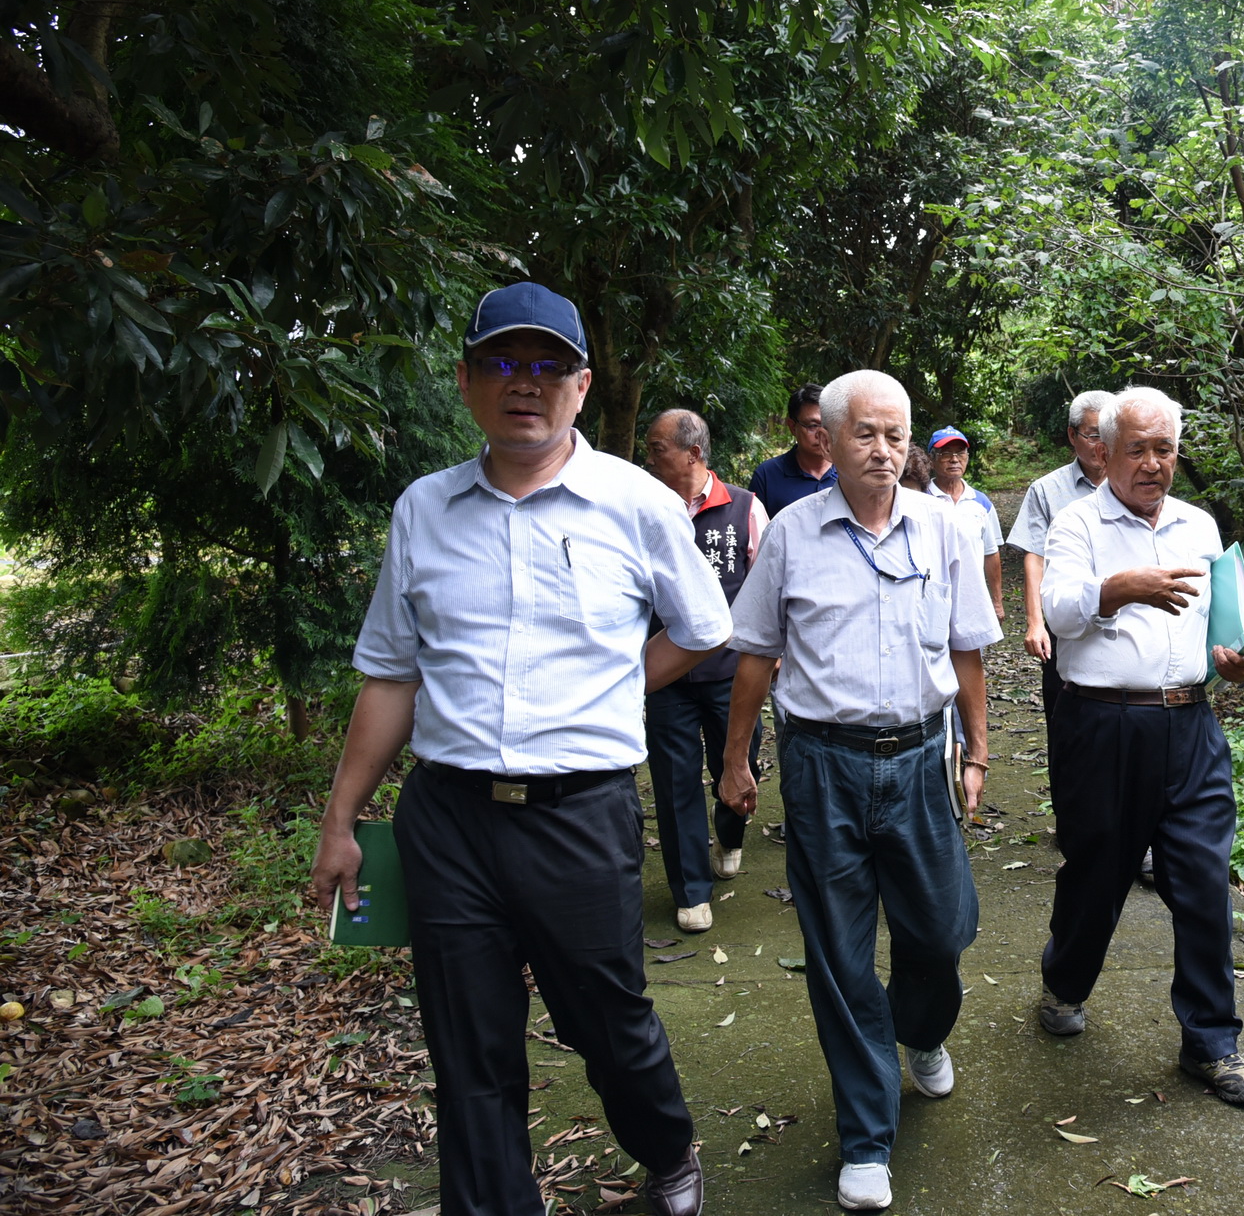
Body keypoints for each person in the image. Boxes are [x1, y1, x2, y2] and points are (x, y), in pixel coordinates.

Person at [309, 282, 729, 1216]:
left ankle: (666, 1147)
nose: (523, 384)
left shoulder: (634, 502)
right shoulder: (424, 510)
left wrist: (617, 688)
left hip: (580, 816)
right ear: (465, 381)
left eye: (546, 366)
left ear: (581, 385)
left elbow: (701, 628)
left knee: (608, 1022)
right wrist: (341, 821)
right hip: (449, 818)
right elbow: (389, 675)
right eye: (501, 362)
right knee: (469, 1047)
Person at [718, 370, 1001, 1212]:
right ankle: (868, 1137)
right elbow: (756, 656)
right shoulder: (793, 536)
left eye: (896, 434)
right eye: (866, 434)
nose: (885, 450)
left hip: (919, 760)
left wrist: (979, 751)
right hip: (822, 767)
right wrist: (736, 761)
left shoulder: (945, 528)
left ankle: (920, 1028)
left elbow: (968, 649)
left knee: (943, 927)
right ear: (827, 439)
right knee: (840, 957)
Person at [1035, 385, 1244, 1107]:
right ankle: (1064, 980)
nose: (1151, 462)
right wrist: (1118, 588)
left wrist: (1237, 659)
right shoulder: (1077, 523)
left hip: (1190, 725)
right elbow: (1055, 612)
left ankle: (1212, 1042)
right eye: (1136, 447)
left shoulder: (1199, 525)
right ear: (1103, 449)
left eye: (1163, 448)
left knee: (1201, 879)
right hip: (1103, 727)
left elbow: (1232, 622)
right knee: (1098, 871)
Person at [642, 408, 771, 934]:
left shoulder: (744, 508)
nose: (648, 457)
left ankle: (731, 834)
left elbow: (766, 587)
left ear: (693, 454)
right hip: (665, 674)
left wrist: (772, 653)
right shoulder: (644, 510)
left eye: (657, 448)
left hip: (731, 673)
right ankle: (690, 890)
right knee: (673, 782)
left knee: (736, 763)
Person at [1006, 390, 1113, 714]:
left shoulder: (1135, 486)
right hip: (1064, 616)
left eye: (1108, 435)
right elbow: (1035, 558)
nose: (1101, 445)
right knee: (1063, 711)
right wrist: (1035, 622)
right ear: (1072, 435)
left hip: (1123, 615)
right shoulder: (1046, 490)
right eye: (1093, 435)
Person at [926, 426, 1005, 622]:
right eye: (946, 453)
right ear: (932, 459)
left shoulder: (981, 503)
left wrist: (996, 602)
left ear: (967, 457)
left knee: (971, 651)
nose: (954, 459)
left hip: (972, 599)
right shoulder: (920, 499)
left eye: (960, 452)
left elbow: (991, 553)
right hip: (928, 599)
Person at [749, 384, 838, 516]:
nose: (822, 434)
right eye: (813, 426)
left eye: (828, 425)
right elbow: (755, 530)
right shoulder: (767, 475)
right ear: (792, 427)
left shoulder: (851, 472)